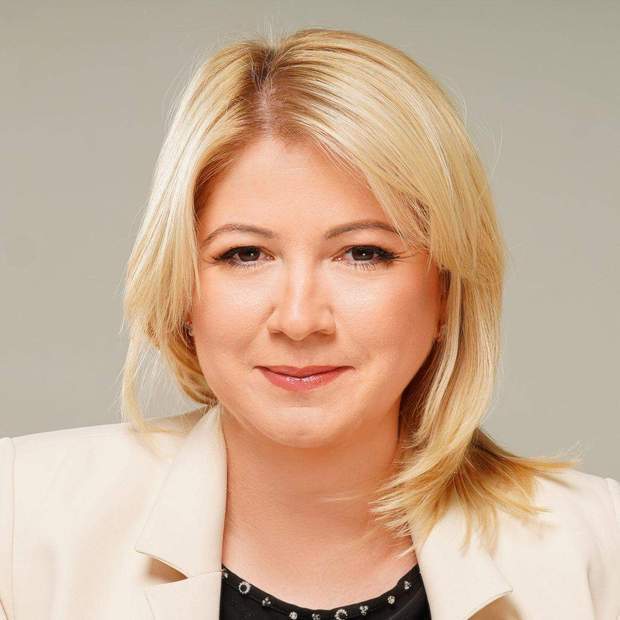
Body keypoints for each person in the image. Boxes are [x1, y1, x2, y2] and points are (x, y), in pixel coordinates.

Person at [1, 27, 618, 620]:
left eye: (363, 253)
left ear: (446, 291)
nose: (299, 320)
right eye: (245, 254)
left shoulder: (600, 549)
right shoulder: (18, 521)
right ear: (181, 288)